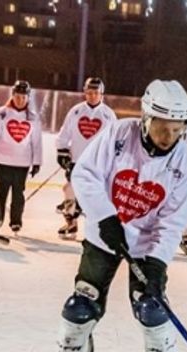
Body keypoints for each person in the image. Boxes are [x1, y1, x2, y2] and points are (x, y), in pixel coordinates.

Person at [40, 79, 187, 352]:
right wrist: (106, 217)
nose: (168, 137)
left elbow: (173, 220)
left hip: (146, 246)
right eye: (161, 127)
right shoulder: (118, 134)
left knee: (152, 310)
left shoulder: (186, 161)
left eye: (176, 129)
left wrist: (156, 263)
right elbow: (84, 175)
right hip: (103, 237)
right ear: (145, 119)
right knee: (81, 306)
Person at [54, 76, 117, 238]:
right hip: (76, 161)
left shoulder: (109, 115)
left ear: (101, 93)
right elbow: (64, 133)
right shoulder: (76, 111)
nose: (92, 95)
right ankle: (71, 224)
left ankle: (95, 231)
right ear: (85, 92)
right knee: (69, 190)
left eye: (96, 92)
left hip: (98, 165)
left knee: (93, 197)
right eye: (89, 92)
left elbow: (114, 142)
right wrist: (62, 152)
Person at [0, 80, 43, 234]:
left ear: (28, 98)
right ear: (13, 95)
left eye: (23, 96)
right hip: (2, 159)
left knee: (18, 193)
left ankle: (16, 221)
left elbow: (36, 142)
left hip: (22, 162)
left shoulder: (33, 118)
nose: (20, 99)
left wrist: (37, 162)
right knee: (1, 191)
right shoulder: (2, 113)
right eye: (17, 96)